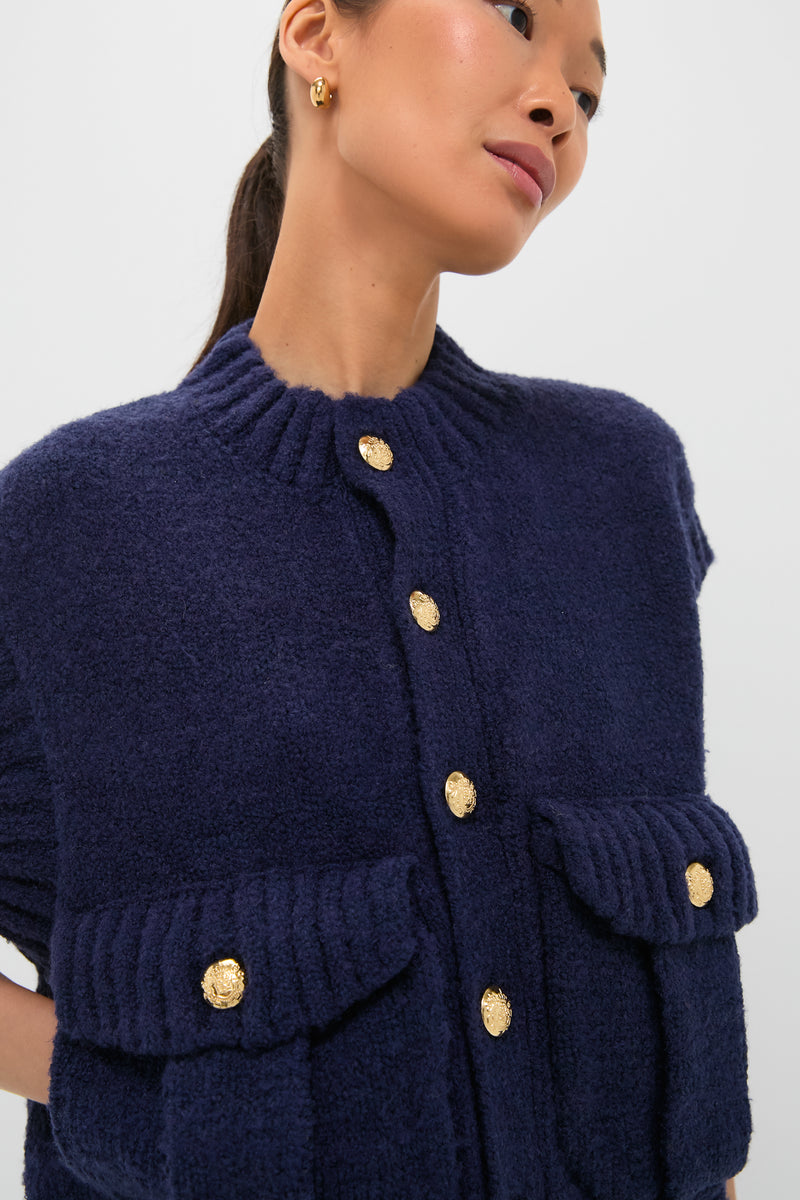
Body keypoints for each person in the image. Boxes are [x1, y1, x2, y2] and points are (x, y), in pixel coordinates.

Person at [0, 0, 757, 1197]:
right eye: (510, 15)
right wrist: (122, 1093)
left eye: (587, 92)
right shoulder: (74, 523)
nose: (557, 107)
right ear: (316, 36)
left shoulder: (620, 482)